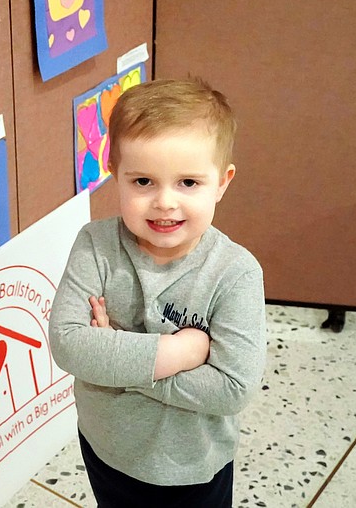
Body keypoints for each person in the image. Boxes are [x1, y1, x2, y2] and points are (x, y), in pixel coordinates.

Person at [49, 78, 267, 507]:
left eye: (188, 183)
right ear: (116, 176)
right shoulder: (95, 244)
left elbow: (231, 389)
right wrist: (180, 354)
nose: (165, 202)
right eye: (143, 181)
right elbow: (69, 344)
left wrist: (116, 357)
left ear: (222, 183)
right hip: (105, 449)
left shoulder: (236, 273)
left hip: (192, 469)